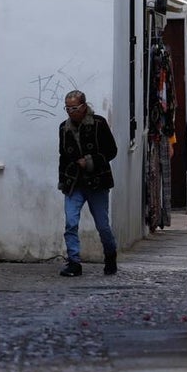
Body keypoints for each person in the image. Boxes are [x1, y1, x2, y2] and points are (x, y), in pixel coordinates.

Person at [57, 90, 120, 276]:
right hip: (74, 183)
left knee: (102, 225)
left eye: (74, 108)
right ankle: (74, 262)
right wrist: (63, 181)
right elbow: (63, 156)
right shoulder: (63, 128)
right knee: (70, 222)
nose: (70, 112)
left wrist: (91, 161)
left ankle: (110, 255)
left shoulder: (99, 123)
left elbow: (112, 151)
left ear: (84, 106)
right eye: (67, 108)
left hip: (97, 182)